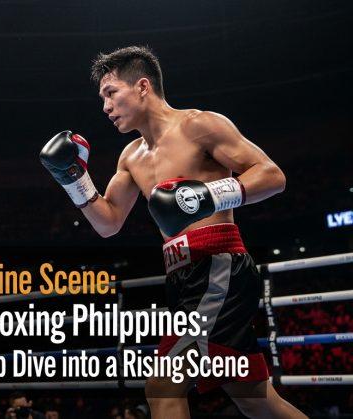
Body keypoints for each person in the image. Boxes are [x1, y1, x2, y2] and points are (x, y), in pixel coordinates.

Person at [40, 46, 306, 418]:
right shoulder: (131, 157)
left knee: (163, 387)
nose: (105, 107)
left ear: (142, 86)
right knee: (253, 398)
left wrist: (206, 196)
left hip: (218, 268)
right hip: (182, 277)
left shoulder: (199, 125)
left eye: (111, 93)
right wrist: (74, 179)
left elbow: (272, 176)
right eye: (102, 98)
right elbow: (108, 223)